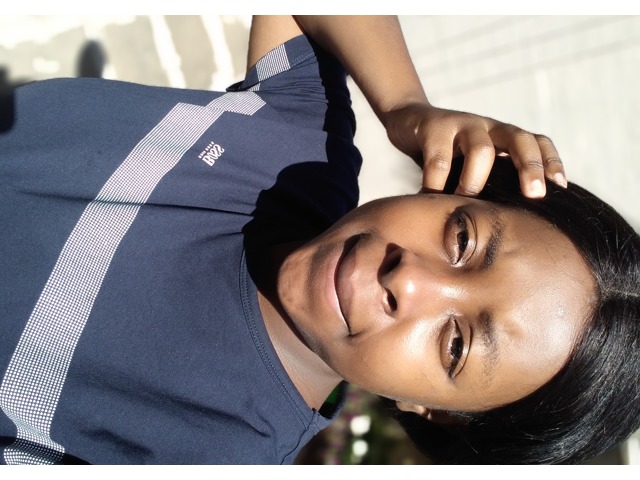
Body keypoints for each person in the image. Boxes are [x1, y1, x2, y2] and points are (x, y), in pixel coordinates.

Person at [0, 15, 637, 465]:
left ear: (432, 413)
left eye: (456, 344)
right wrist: (405, 106)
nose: (409, 279)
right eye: (463, 238)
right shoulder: (300, 140)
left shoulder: (213, 450)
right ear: (453, 187)